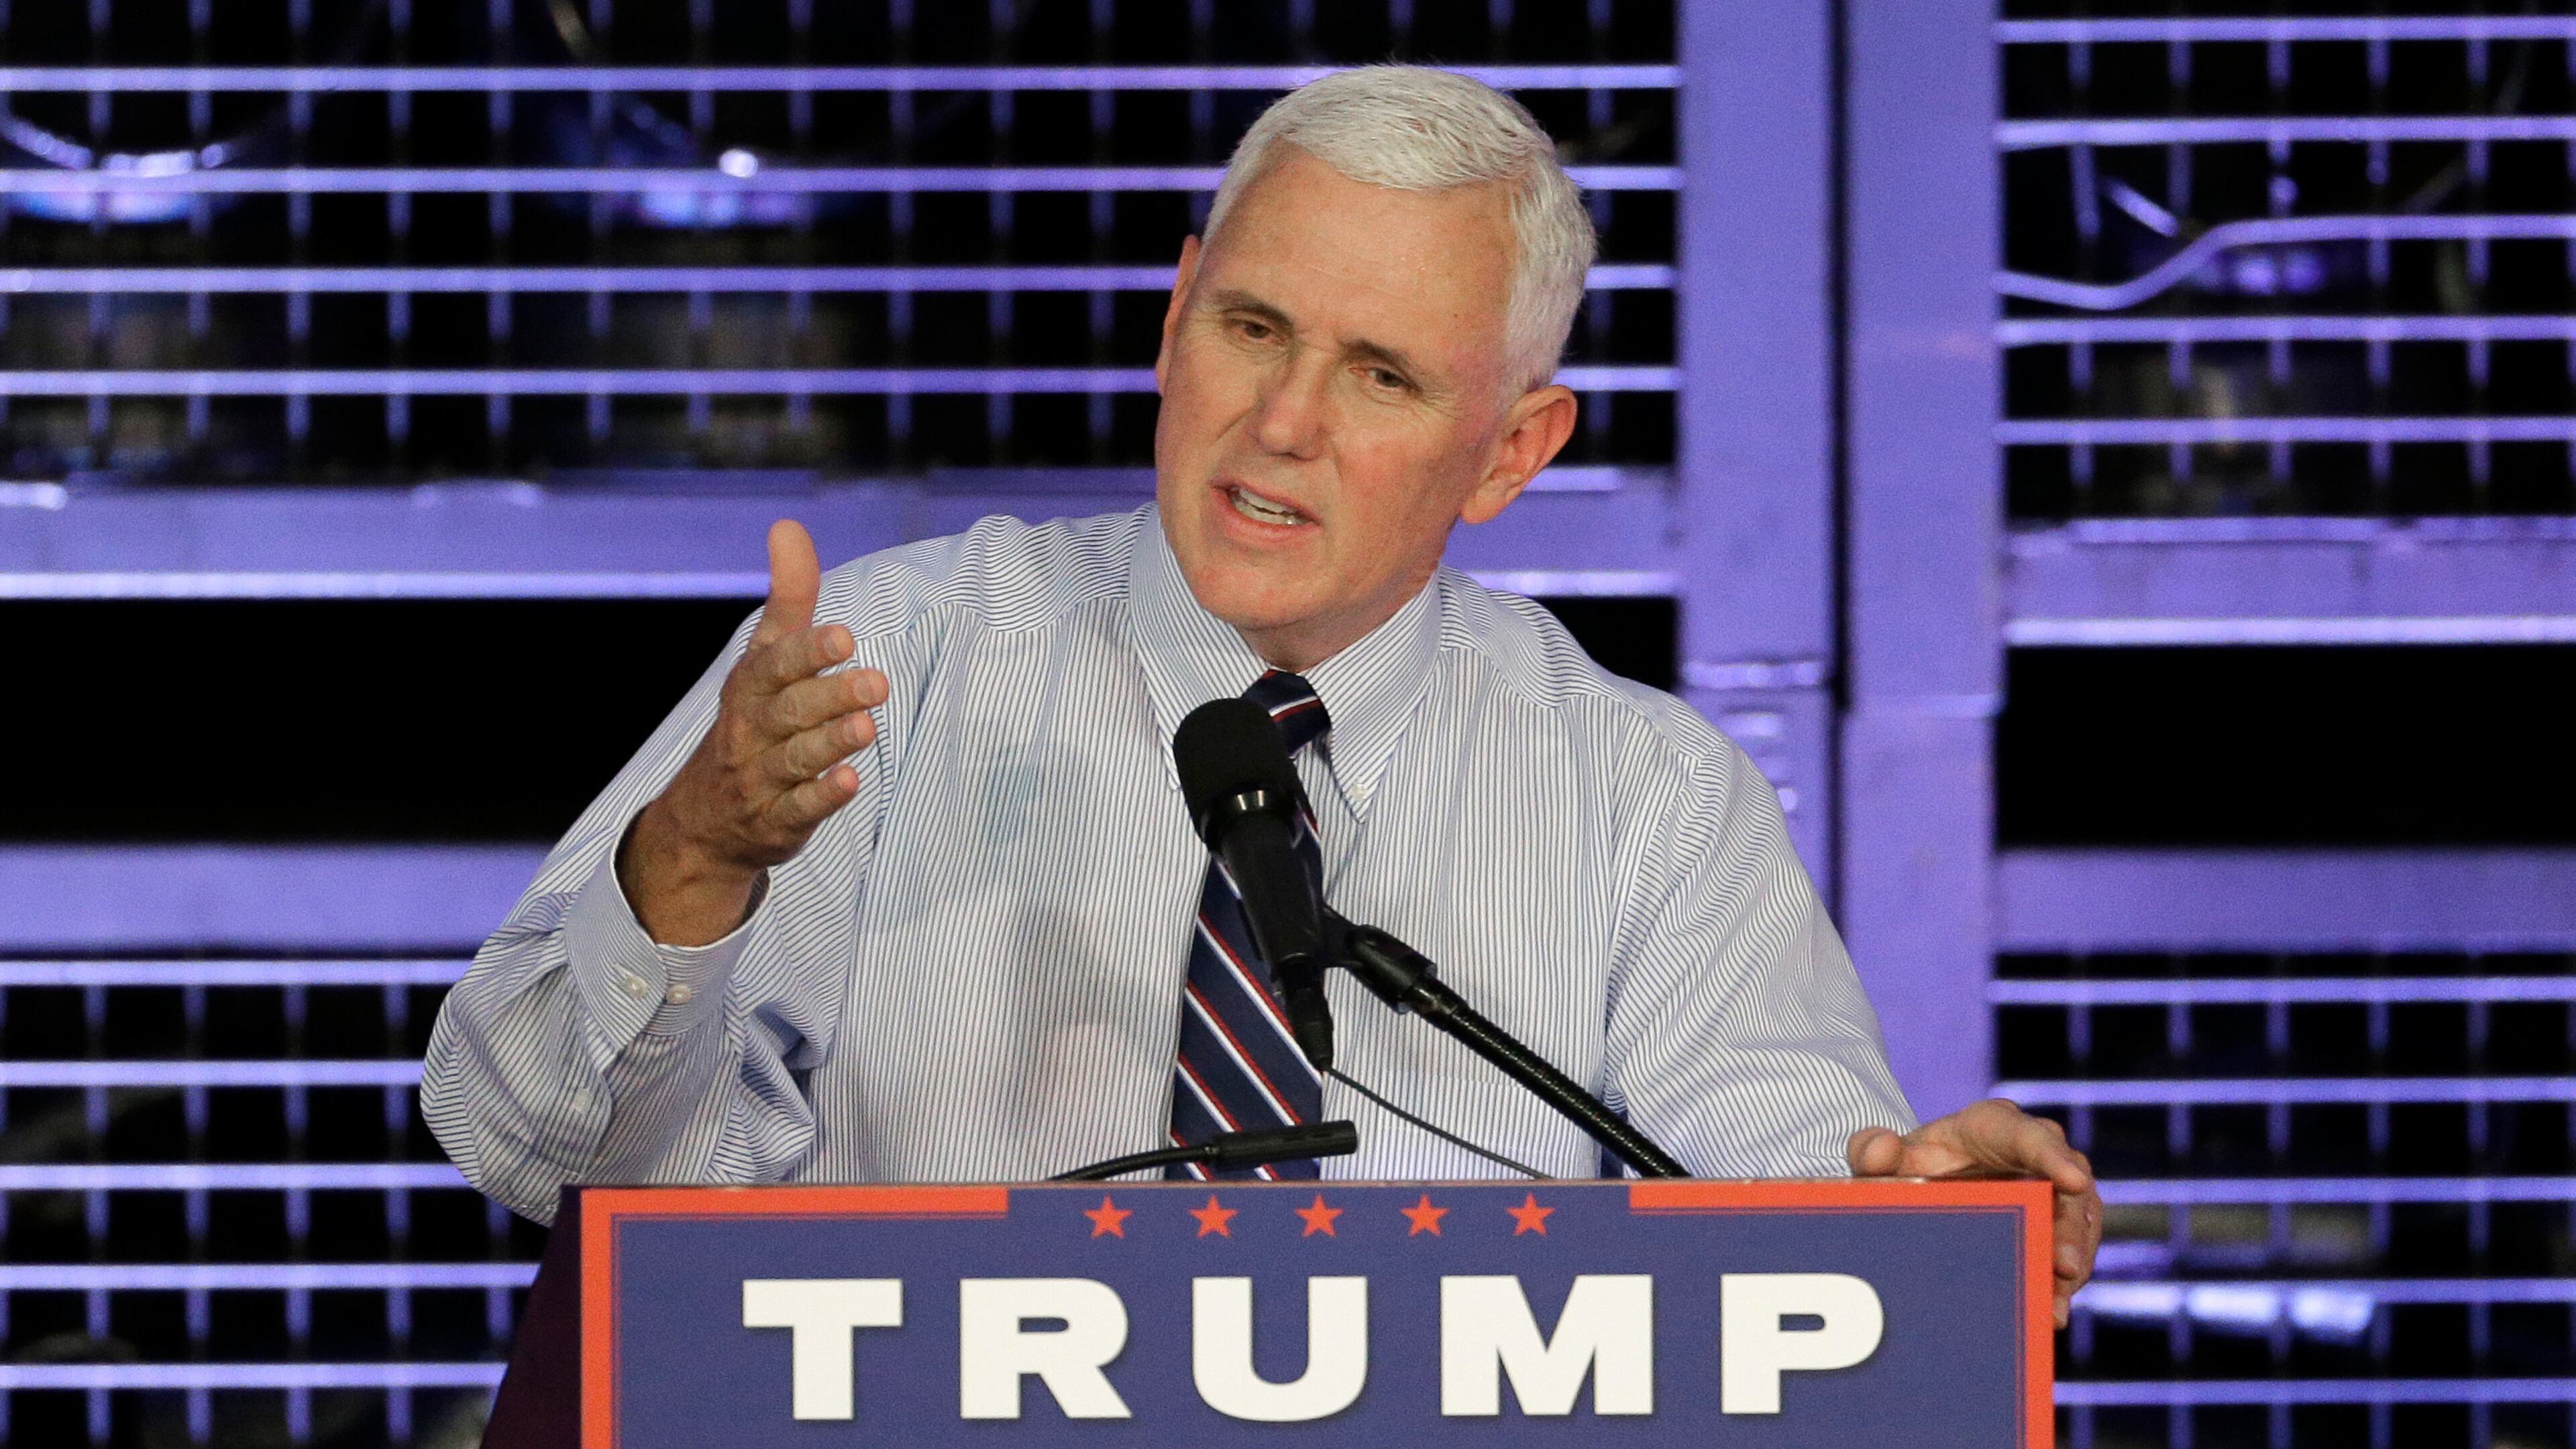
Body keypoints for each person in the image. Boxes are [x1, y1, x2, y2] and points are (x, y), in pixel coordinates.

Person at [424, 66, 2100, 1324]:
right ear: (1171, 320)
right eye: (1251, 328)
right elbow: (536, 1160)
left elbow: (1792, 1214)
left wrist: (1926, 1225)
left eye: (1382, 375)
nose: (1284, 422)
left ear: (1514, 451)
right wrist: (693, 869)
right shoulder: (879, 665)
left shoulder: (1641, 798)